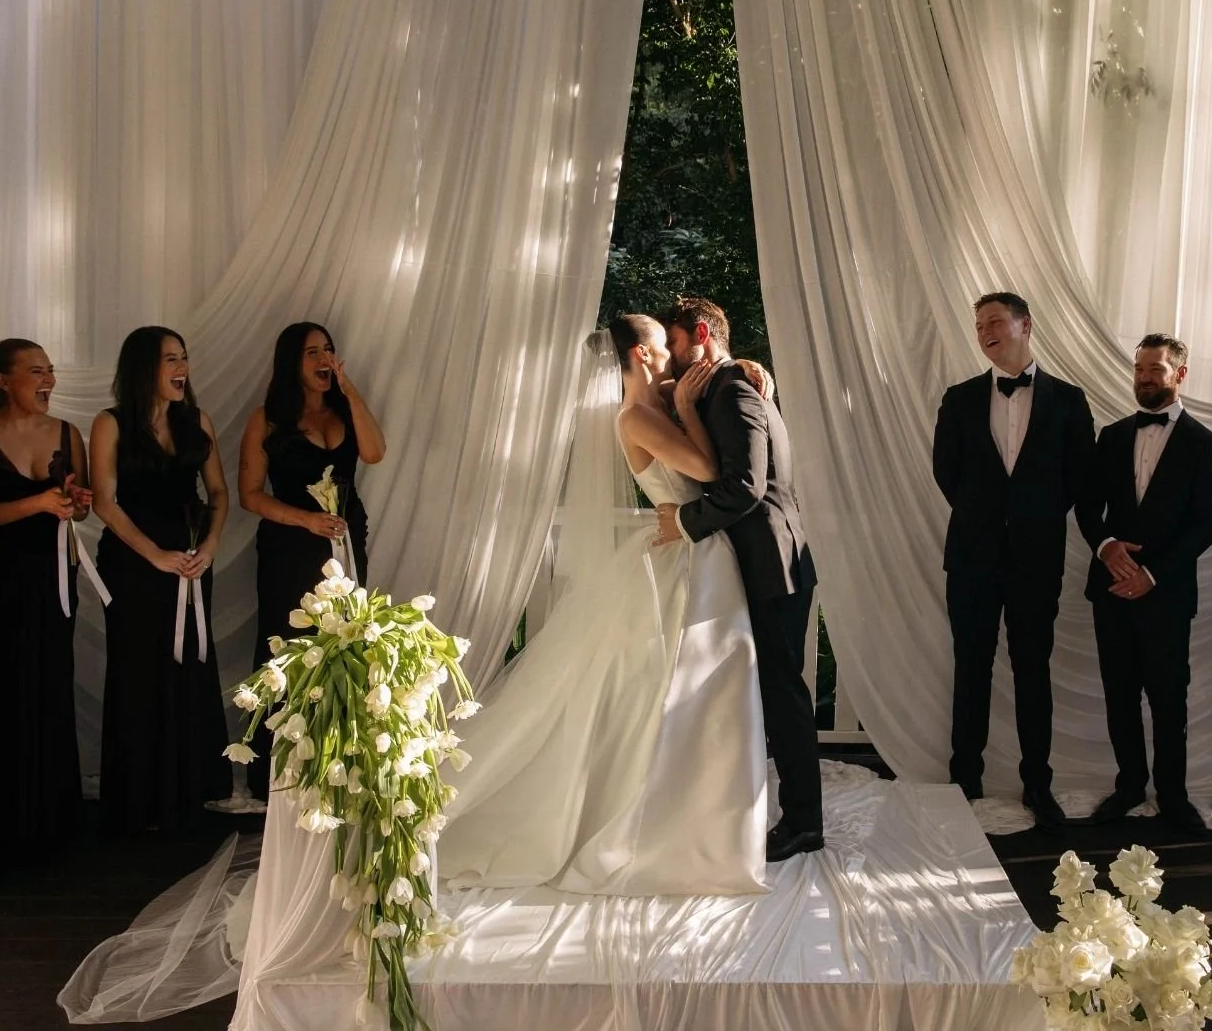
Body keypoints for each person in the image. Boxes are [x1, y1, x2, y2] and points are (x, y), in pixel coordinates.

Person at [439, 314, 769, 894]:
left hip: (697, 549)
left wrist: (741, 367)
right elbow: (708, 469)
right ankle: (676, 827)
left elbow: (711, 393)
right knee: (684, 690)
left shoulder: (658, 400)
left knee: (702, 691)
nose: (674, 357)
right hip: (686, 558)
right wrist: (689, 409)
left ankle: (708, 817)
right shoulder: (637, 415)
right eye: (664, 347)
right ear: (642, 354)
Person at [654, 296, 822, 863]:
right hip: (759, 561)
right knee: (767, 690)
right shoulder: (721, 386)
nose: (670, 354)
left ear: (701, 334)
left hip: (773, 563)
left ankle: (804, 823)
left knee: (783, 693)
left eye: (675, 343)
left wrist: (683, 522)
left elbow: (746, 486)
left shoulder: (734, 392)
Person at [931, 292, 1093, 829]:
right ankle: (964, 780)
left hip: (1036, 558)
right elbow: (947, 472)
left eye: (995, 321)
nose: (985, 332)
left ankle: (1037, 784)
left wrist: (1029, 519)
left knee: (1032, 670)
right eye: (979, 325)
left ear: (1026, 325)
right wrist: (986, 517)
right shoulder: (959, 399)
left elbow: (1077, 478)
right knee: (970, 667)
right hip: (971, 556)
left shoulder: (1068, 401)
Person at [1076, 334, 1212, 837]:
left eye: (1155, 369)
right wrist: (1106, 547)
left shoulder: (1204, 444)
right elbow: (1086, 506)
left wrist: (1152, 574)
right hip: (1111, 589)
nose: (1143, 377)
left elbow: (1207, 525)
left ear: (1179, 374)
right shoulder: (1112, 436)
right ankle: (1129, 787)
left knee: (1168, 698)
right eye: (1139, 369)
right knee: (1119, 694)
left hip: (1167, 593)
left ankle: (1173, 795)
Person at [90, 327, 231, 834]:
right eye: (171, 358)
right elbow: (105, 502)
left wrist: (208, 548)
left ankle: (189, 791)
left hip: (191, 560)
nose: (182, 368)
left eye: (184, 358)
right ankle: (139, 799)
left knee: (189, 663)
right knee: (139, 669)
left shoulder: (197, 421)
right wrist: (154, 556)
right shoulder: (110, 423)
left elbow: (219, 492)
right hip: (134, 562)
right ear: (143, 366)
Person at [237, 322, 386, 799]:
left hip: (343, 542)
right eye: (312, 352)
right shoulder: (268, 419)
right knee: (287, 646)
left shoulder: (344, 408)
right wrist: (305, 520)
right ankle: (276, 772)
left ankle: (334, 761)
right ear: (291, 363)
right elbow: (249, 494)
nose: (324, 359)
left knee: (344, 644)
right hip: (289, 547)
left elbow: (375, 452)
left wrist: (349, 388)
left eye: (329, 350)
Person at [0, 339, 93, 864]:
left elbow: (80, 511)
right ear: (2, 380)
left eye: (50, 371)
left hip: (53, 576)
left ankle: (51, 818)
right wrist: (38, 501)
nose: (48, 380)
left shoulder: (67, 433)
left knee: (51, 683)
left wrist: (76, 504)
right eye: (36, 371)